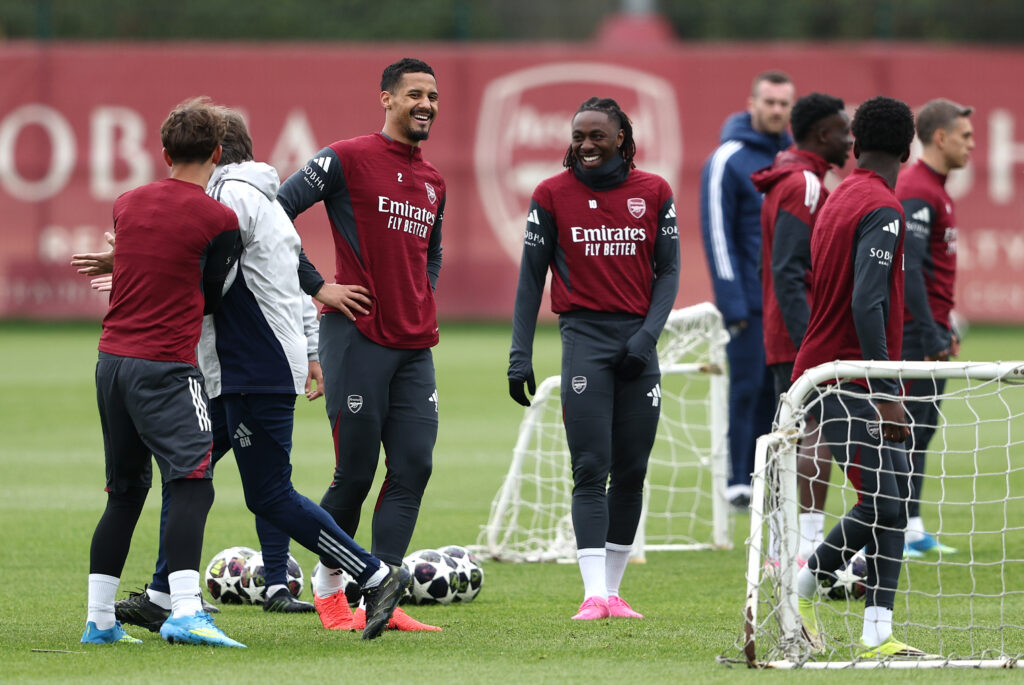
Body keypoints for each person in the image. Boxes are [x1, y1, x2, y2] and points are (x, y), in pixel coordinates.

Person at [74, 108, 411, 642]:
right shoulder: (252, 196)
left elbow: (212, 280)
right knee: (189, 475)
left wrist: (132, 272)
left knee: (266, 493)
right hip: (239, 364)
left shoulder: (228, 200)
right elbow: (279, 268)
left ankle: (374, 575)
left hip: (251, 366)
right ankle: (163, 595)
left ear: (205, 155)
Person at [277, 57, 445, 633]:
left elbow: (433, 253)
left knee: (414, 466)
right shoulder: (345, 157)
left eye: (433, 97)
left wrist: (422, 294)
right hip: (355, 338)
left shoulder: (433, 182)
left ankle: (385, 599)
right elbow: (276, 212)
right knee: (354, 471)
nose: (426, 104)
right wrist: (319, 284)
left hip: (414, 345)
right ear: (386, 99)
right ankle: (328, 593)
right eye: (415, 94)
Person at [80, 97, 245, 647]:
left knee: (124, 491)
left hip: (111, 363)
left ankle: (100, 620)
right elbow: (212, 298)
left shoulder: (128, 202)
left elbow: (147, 256)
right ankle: (185, 610)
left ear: (164, 150)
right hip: (167, 367)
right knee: (192, 480)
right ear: (218, 153)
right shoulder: (219, 217)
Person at [507, 97, 680, 620]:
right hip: (584, 340)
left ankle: (615, 591)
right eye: (579, 135)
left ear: (622, 139)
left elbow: (669, 273)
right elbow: (530, 276)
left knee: (631, 471)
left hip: (639, 347)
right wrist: (520, 354)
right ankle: (592, 594)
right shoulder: (551, 194)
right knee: (590, 468)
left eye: (597, 136)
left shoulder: (654, 191)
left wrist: (647, 339)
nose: (585, 144)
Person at [791, 96, 927, 658]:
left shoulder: (841, 195)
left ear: (854, 143)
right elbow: (867, 303)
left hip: (837, 372)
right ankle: (799, 591)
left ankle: (877, 634)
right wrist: (887, 394)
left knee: (890, 506)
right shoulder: (882, 208)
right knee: (882, 503)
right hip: (848, 379)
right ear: (908, 148)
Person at [750, 93, 852, 562]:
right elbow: (791, 271)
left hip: (782, 328)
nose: (850, 140)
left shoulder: (786, 177)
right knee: (815, 431)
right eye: (843, 130)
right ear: (822, 134)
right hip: (801, 333)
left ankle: (779, 543)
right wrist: (813, 343)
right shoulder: (805, 184)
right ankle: (804, 544)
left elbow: (769, 265)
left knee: (791, 433)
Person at [699, 71, 795, 510]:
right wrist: (731, 301)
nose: (777, 110)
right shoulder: (728, 158)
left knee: (779, 392)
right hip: (748, 304)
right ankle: (738, 479)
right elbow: (716, 232)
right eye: (770, 102)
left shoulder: (792, 159)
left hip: (786, 302)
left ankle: (769, 475)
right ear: (751, 103)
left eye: (784, 103)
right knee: (746, 386)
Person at [896, 99, 974, 558]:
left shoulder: (938, 189)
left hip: (931, 328)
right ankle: (897, 528)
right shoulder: (917, 190)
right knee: (906, 427)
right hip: (912, 334)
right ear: (940, 137)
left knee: (923, 428)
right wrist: (928, 332)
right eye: (965, 136)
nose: (972, 144)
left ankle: (912, 526)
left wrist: (946, 325)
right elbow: (910, 269)